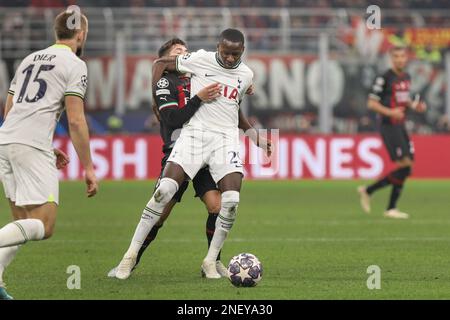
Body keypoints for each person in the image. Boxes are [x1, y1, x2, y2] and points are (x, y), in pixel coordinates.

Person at [111, 36, 270, 279]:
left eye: (234, 55)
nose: (229, 58)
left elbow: (231, 107)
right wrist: (157, 98)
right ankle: (129, 257)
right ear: (218, 47)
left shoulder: (246, 74)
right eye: (225, 53)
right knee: (164, 192)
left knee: (229, 202)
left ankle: (211, 261)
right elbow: (160, 70)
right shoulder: (196, 63)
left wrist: (253, 136)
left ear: (242, 52)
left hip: (225, 141)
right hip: (192, 138)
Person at [0, 8, 98, 299]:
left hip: (6, 140)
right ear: (80, 34)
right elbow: (76, 120)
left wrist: (44, 142)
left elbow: (10, 108)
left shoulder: (29, 59)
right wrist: (89, 167)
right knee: (44, 224)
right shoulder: (75, 64)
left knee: (22, 221)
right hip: (28, 146)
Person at [358, 46, 426, 219]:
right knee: (405, 166)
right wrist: (391, 113)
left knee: (407, 167)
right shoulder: (384, 77)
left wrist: (414, 105)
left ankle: (374, 195)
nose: (400, 60)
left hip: (400, 125)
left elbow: (403, 100)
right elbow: (371, 103)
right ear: (391, 58)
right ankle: (382, 201)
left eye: (402, 56)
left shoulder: (406, 77)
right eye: (396, 57)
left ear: (406, 58)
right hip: (389, 125)